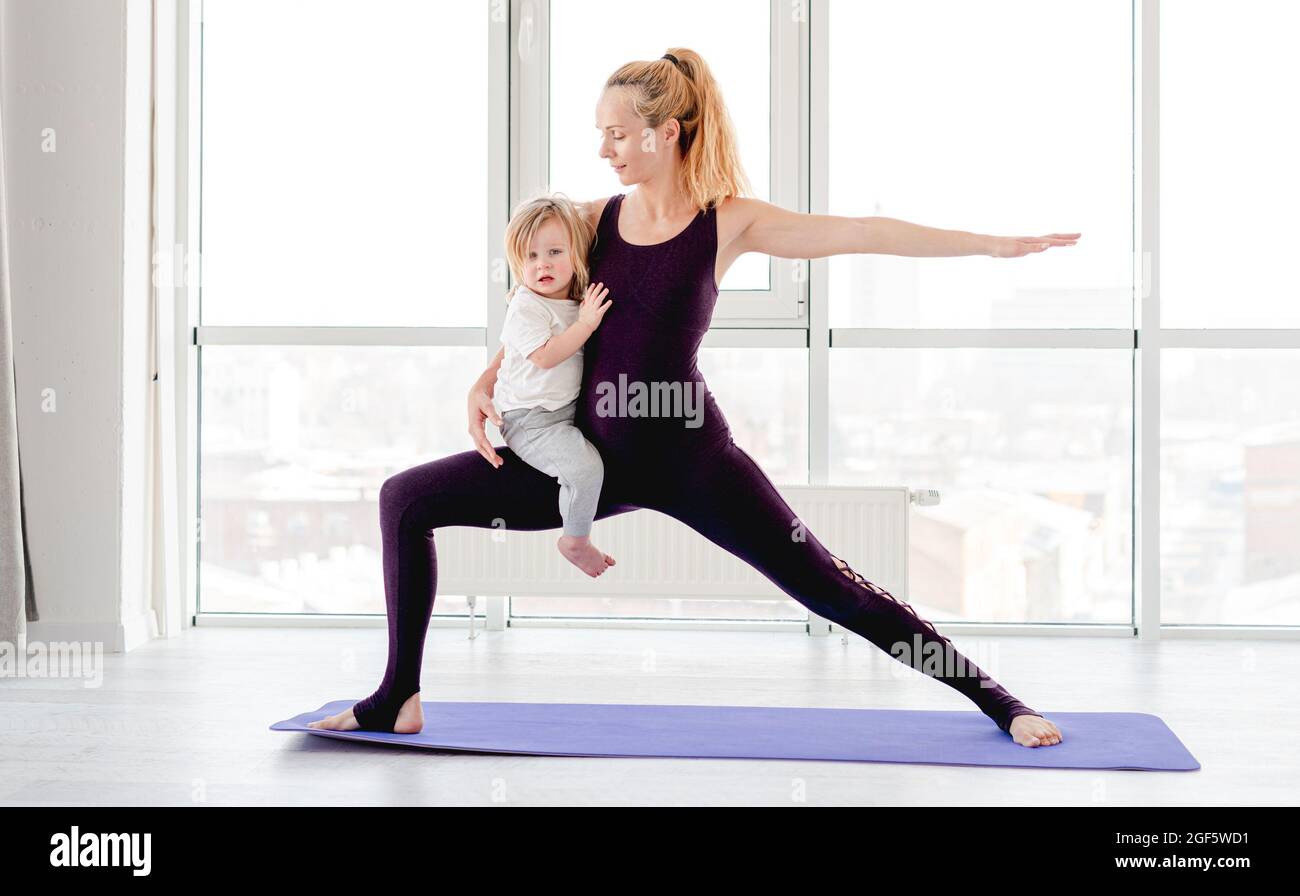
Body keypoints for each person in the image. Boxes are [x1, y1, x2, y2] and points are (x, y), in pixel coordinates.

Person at [312, 48, 1077, 745]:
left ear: (666, 132)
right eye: (600, 133)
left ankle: (1002, 703)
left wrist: (989, 244)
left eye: (616, 133)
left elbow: (860, 232)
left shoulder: (728, 222)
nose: (602, 148)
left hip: (690, 460)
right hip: (582, 456)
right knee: (404, 499)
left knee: (829, 589)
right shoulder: (588, 220)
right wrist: (485, 381)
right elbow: (534, 305)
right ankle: (398, 697)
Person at [494, 194, 616, 577]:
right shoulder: (526, 305)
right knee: (585, 470)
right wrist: (586, 325)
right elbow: (545, 356)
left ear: (576, 254)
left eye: (554, 252)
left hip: (559, 412)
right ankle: (575, 540)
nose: (542, 263)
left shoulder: (574, 298)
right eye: (530, 256)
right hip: (530, 420)